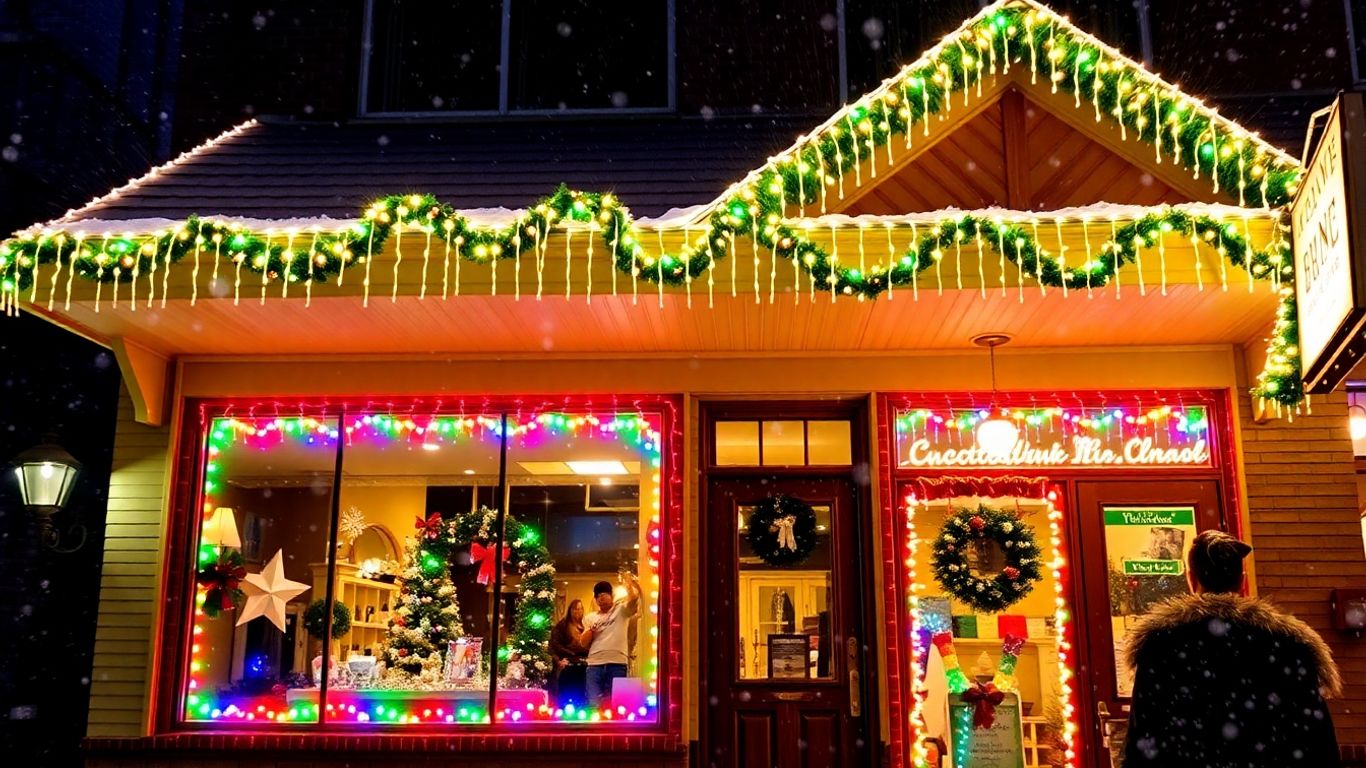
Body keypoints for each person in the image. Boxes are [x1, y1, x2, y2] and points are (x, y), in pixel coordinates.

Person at [1123, 530, 1341, 767]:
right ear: (1242, 579)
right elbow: (1319, 742)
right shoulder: (1288, 643)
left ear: (1191, 578)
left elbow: (1143, 737)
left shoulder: (1161, 644)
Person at [581, 573, 640, 709]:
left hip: (617, 663)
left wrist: (629, 584)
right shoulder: (590, 617)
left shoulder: (621, 610)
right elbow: (583, 643)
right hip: (594, 664)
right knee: (593, 704)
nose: (601, 597)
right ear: (596, 600)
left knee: (616, 704)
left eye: (605, 594)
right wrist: (591, 630)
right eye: (598, 596)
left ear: (611, 596)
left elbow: (634, 599)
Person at [548, 598, 589, 707]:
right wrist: (565, 657)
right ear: (570, 610)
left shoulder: (586, 624)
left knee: (581, 691)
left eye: (580, 609)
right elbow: (554, 645)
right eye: (575, 609)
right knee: (566, 692)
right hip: (567, 663)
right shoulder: (563, 625)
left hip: (584, 664)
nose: (578, 612)